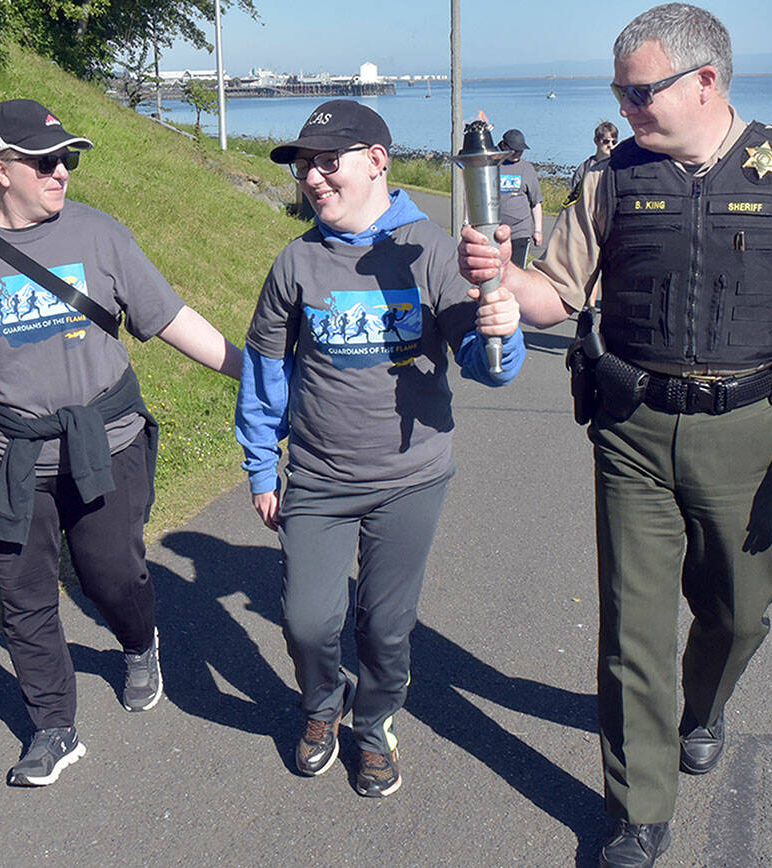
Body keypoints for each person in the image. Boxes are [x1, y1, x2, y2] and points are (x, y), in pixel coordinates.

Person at [458, 5, 772, 866]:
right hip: (632, 429)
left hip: (747, 429)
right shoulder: (613, 177)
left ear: (705, 82)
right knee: (632, 627)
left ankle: (703, 705)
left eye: (640, 89)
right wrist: (503, 280)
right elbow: (556, 294)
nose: (627, 103)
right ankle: (639, 811)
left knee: (740, 610)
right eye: (619, 89)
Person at [0, 98, 242, 788]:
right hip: (8, 457)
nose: (62, 170)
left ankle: (138, 640)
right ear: (1, 170)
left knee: (109, 575)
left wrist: (251, 370)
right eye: (45, 161)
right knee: (23, 594)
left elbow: (170, 316)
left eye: (68, 158)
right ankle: (52, 727)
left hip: (105, 442)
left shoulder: (99, 236)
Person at [237, 99, 525, 798]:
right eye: (305, 165)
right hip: (318, 477)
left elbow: (489, 365)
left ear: (376, 161)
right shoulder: (296, 261)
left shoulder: (430, 250)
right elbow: (265, 368)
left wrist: (503, 326)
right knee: (309, 620)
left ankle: (373, 729)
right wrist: (259, 464)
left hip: (410, 480)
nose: (312, 177)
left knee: (385, 628)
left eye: (327, 161)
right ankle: (319, 711)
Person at [497, 128, 545, 266]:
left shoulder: (526, 169)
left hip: (519, 232)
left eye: (521, 151)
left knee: (517, 272)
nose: (518, 154)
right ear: (504, 146)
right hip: (496, 230)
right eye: (515, 150)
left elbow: (536, 203)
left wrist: (538, 231)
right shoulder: (493, 165)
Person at [567, 121, 620, 204]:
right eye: (606, 141)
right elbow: (574, 197)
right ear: (596, 141)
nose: (610, 145)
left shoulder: (618, 167)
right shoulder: (584, 168)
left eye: (614, 142)